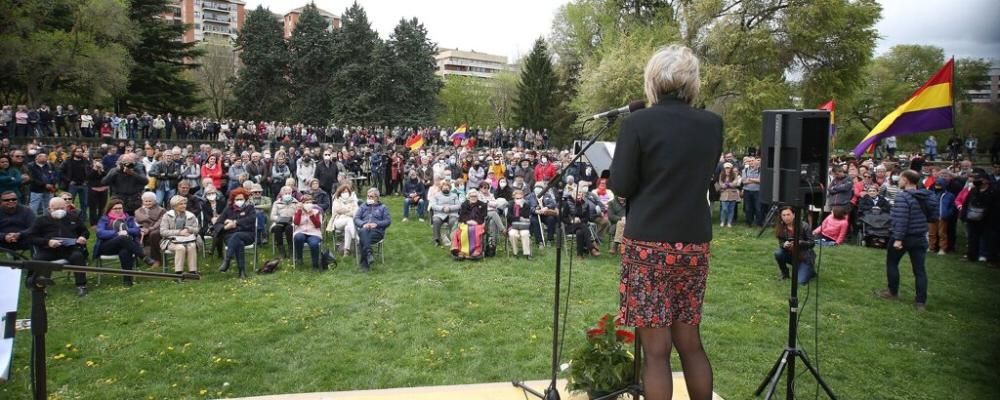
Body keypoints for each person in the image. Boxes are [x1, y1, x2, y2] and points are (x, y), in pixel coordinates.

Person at [608, 45, 720, 400]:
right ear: (692, 82)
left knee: (656, 353)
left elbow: (622, 185)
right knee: (690, 341)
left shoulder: (638, 123)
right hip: (693, 243)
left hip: (648, 246)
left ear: (653, 80)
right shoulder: (712, 124)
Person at [876, 170, 936, 312]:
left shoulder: (903, 197)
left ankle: (892, 292)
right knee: (920, 270)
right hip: (920, 236)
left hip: (904, 237)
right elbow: (934, 217)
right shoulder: (928, 196)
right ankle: (920, 302)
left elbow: (901, 219)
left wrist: (898, 239)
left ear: (906, 180)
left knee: (892, 263)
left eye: (901, 178)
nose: (899, 181)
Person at [21, 197, 90, 296]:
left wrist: (82, 237)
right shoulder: (41, 220)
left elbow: (85, 231)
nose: (59, 211)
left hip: (69, 248)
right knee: (38, 259)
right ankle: (39, 286)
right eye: (56, 209)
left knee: (78, 256)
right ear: (49, 209)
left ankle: (81, 285)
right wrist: (47, 242)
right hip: (48, 249)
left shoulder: (73, 218)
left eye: (62, 208)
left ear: (66, 207)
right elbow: (31, 237)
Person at [94, 199, 155, 287]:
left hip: (125, 245)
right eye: (115, 208)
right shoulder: (104, 219)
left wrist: (126, 231)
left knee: (125, 251)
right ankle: (143, 256)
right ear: (110, 209)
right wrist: (117, 233)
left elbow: (136, 230)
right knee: (122, 238)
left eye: (120, 208)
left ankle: (127, 281)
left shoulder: (128, 218)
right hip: (107, 246)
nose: (118, 210)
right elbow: (100, 233)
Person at [214, 188, 257, 279]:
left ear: (245, 199)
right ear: (233, 200)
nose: (239, 201)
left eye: (241, 199)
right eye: (237, 199)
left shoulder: (250, 208)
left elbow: (251, 219)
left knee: (237, 236)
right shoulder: (228, 209)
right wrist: (225, 227)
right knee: (238, 242)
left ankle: (227, 260)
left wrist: (235, 222)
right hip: (230, 236)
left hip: (247, 234)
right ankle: (242, 272)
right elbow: (218, 224)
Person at [959, 169, 997, 263]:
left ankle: (990, 258)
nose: (976, 180)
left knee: (989, 239)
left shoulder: (994, 191)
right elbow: (966, 203)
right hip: (972, 218)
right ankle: (971, 256)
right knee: (972, 238)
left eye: (979, 179)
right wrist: (963, 215)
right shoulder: (973, 190)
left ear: (986, 180)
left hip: (988, 220)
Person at [159, 195, 201, 276]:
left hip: (188, 240)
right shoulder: (167, 216)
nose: (184, 206)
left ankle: (192, 272)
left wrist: (189, 229)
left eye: (184, 204)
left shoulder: (190, 215)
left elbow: (197, 229)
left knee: (192, 246)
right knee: (180, 248)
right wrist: (179, 232)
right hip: (171, 241)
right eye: (181, 204)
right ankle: (178, 273)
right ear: (174, 206)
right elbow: (163, 232)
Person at [773, 206, 817, 282]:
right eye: (783, 215)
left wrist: (800, 242)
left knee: (800, 281)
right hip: (791, 255)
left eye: (788, 214)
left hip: (804, 257)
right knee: (778, 253)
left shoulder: (804, 225)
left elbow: (812, 243)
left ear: (794, 215)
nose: (786, 217)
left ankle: (810, 271)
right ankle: (785, 274)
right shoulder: (781, 227)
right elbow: (781, 243)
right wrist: (784, 245)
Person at [354, 188, 391, 272]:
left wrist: (376, 224)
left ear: (377, 198)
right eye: (368, 196)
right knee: (363, 232)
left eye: (371, 197)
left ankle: (365, 263)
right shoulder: (363, 206)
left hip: (377, 232)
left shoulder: (383, 207)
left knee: (363, 238)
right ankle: (369, 253)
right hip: (364, 229)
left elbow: (388, 221)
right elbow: (356, 219)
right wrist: (364, 224)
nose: (369, 198)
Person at [292, 194, 328, 270]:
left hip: (314, 233)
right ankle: (299, 258)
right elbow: (296, 223)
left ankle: (315, 265)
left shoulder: (317, 211)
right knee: (298, 238)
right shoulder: (297, 211)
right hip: (300, 231)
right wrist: (299, 211)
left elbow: (318, 225)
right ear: (302, 203)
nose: (309, 204)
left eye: (310, 202)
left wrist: (311, 214)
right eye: (306, 202)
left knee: (314, 244)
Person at [562, 186, 600, 257]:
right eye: (576, 193)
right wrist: (572, 220)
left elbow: (587, 218)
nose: (578, 195)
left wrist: (579, 220)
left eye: (580, 193)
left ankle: (579, 255)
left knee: (580, 232)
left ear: (582, 195)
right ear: (573, 194)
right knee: (582, 226)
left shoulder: (586, 204)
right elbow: (563, 218)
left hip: (582, 226)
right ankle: (591, 247)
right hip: (571, 226)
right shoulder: (568, 203)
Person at [452, 189, 487, 260]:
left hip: (478, 223)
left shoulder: (483, 204)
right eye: (471, 196)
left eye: (475, 196)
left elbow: (483, 216)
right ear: (468, 197)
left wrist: (476, 222)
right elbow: (462, 216)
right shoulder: (464, 204)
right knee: (460, 231)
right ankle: (460, 251)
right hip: (466, 223)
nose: (473, 197)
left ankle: (476, 251)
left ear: (478, 196)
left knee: (475, 231)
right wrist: (468, 221)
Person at [134, 192, 165, 269]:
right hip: (142, 231)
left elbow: (160, 222)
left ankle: (156, 260)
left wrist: (149, 229)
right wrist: (140, 229)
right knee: (133, 234)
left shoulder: (161, 210)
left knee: (153, 234)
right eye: (146, 201)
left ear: (154, 201)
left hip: (157, 230)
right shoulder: (138, 211)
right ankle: (138, 259)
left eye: (150, 201)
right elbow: (135, 222)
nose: (147, 203)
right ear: (142, 201)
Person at [327, 185, 359, 256]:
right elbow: (338, 210)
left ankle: (346, 251)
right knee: (349, 220)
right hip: (338, 221)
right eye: (343, 191)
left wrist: (345, 210)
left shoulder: (353, 200)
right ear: (340, 192)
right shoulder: (336, 200)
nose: (345, 193)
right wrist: (349, 210)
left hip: (350, 222)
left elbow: (356, 211)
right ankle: (357, 239)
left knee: (348, 227)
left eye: (347, 191)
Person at [270, 186, 298, 259]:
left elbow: (298, 214)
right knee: (277, 228)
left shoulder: (296, 203)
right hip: (279, 222)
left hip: (291, 223)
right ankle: (281, 251)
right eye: (286, 193)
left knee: (289, 228)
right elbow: (272, 216)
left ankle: (291, 250)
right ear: (281, 194)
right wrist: (280, 219)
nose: (287, 195)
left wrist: (292, 219)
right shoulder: (276, 203)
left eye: (289, 193)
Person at [430, 180, 461, 247]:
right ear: (441, 188)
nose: (445, 188)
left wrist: (449, 208)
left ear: (449, 188)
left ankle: (453, 239)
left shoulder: (454, 195)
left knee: (453, 221)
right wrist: (442, 208)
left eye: (447, 187)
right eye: (444, 187)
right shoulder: (436, 195)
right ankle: (437, 240)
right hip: (439, 214)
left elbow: (459, 205)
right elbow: (433, 206)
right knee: (436, 221)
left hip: (452, 214)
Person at [506, 189, 533, 258]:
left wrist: (520, 207)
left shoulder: (526, 205)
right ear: (514, 198)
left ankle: (527, 253)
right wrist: (519, 218)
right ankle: (515, 253)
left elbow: (526, 216)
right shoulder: (510, 205)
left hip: (524, 226)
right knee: (512, 234)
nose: (519, 200)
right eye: (517, 198)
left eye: (520, 198)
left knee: (525, 234)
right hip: (512, 226)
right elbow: (509, 217)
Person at [716, 162, 741, 228]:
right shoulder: (721, 174)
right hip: (724, 193)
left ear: (731, 168)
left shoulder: (734, 174)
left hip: (733, 194)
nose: (727, 169)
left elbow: (735, 183)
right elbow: (720, 184)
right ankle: (722, 221)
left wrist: (728, 184)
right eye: (726, 168)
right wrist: (726, 185)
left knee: (731, 209)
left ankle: (729, 222)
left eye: (728, 168)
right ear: (724, 168)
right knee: (724, 209)